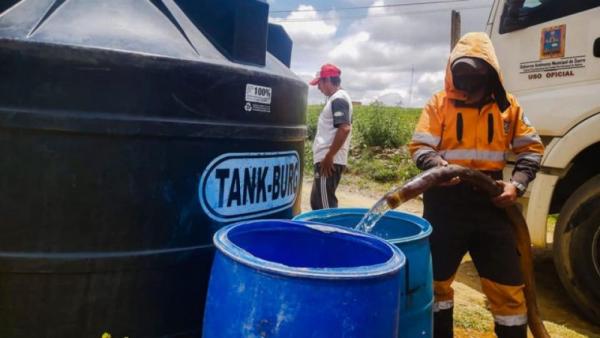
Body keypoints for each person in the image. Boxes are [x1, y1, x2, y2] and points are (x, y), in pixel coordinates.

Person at [408, 32, 544, 338]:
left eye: (476, 71)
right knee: (436, 284)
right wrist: (437, 166)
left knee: (508, 288)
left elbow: (531, 150)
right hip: (445, 202)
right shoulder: (439, 103)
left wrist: (517, 185)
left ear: (491, 71)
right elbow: (420, 147)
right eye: (462, 71)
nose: (467, 79)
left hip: (493, 202)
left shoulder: (509, 106)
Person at [309, 63, 352, 210]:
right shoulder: (335, 98)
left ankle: (331, 233)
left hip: (328, 162)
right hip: (327, 160)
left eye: (319, 83)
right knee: (318, 202)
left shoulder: (338, 99)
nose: (318, 87)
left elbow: (344, 128)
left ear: (327, 80)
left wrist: (329, 156)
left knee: (324, 209)